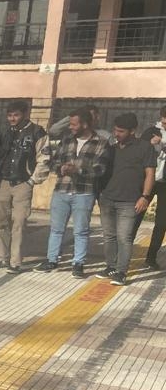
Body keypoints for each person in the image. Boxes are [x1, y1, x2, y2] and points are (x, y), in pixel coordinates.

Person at [33, 108, 112, 278]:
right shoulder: (66, 140)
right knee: (56, 229)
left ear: (84, 124)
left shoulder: (101, 142)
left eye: (74, 124)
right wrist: (61, 168)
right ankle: (51, 260)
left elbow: (101, 169)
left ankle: (78, 263)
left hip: (84, 193)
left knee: (81, 230)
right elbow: (53, 163)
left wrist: (79, 169)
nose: (71, 127)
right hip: (62, 190)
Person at [94, 113, 155, 286]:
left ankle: (121, 272)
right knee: (109, 236)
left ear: (132, 130)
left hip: (129, 201)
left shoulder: (145, 148)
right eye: (115, 130)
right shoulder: (111, 148)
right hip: (107, 198)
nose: (116, 134)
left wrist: (145, 196)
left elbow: (150, 174)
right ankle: (110, 267)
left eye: (121, 131)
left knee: (124, 237)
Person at [0, 100, 46, 273]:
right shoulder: (5, 131)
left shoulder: (37, 132)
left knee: (19, 223)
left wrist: (32, 180)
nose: (12, 118)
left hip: (22, 182)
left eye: (16, 115)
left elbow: (44, 158)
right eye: (10, 115)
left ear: (26, 114)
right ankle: (2, 257)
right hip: (1, 182)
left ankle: (15, 261)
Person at [141, 108, 166, 270]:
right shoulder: (151, 131)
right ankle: (123, 255)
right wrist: (150, 144)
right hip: (147, 180)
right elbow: (139, 150)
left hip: (165, 183)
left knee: (162, 222)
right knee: (135, 215)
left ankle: (151, 257)